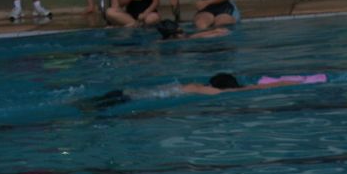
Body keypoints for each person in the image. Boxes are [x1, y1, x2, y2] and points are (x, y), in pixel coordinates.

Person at [88, 70, 319, 108]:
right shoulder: (213, 91)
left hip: (131, 94)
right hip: (131, 99)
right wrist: (298, 82)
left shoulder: (196, 86)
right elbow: (249, 90)